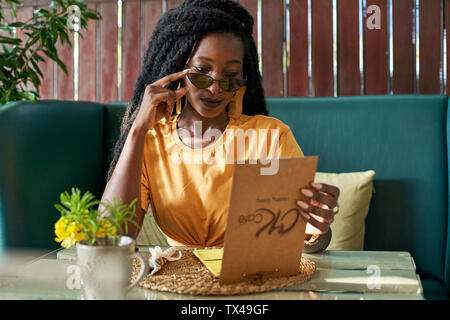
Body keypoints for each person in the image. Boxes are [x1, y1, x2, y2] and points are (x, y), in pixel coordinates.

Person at [101, 0, 340, 253]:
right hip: (180, 285)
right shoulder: (151, 141)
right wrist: (137, 129)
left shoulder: (271, 137)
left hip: (253, 280)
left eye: (230, 77)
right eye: (202, 71)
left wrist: (316, 229)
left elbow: (309, 242)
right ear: (177, 68)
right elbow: (112, 237)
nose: (215, 88)